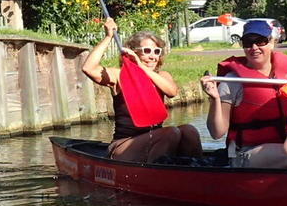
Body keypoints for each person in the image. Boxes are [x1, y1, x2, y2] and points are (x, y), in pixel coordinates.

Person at [81, 17, 203, 163]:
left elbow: (172, 92)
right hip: (124, 145)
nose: (153, 57)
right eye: (147, 51)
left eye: (156, 52)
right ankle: (155, 173)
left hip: (157, 139)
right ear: (134, 53)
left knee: (189, 131)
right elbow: (88, 68)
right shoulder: (119, 75)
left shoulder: (162, 76)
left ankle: (196, 170)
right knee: (171, 133)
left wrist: (142, 67)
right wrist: (108, 37)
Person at [201, 18, 287, 167]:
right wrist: (215, 99)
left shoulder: (286, 75)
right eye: (247, 42)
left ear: (272, 42)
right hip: (245, 152)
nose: (254, 47)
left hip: (285, 145)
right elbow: (217, 133)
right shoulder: (231, 82)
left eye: (260, 41)